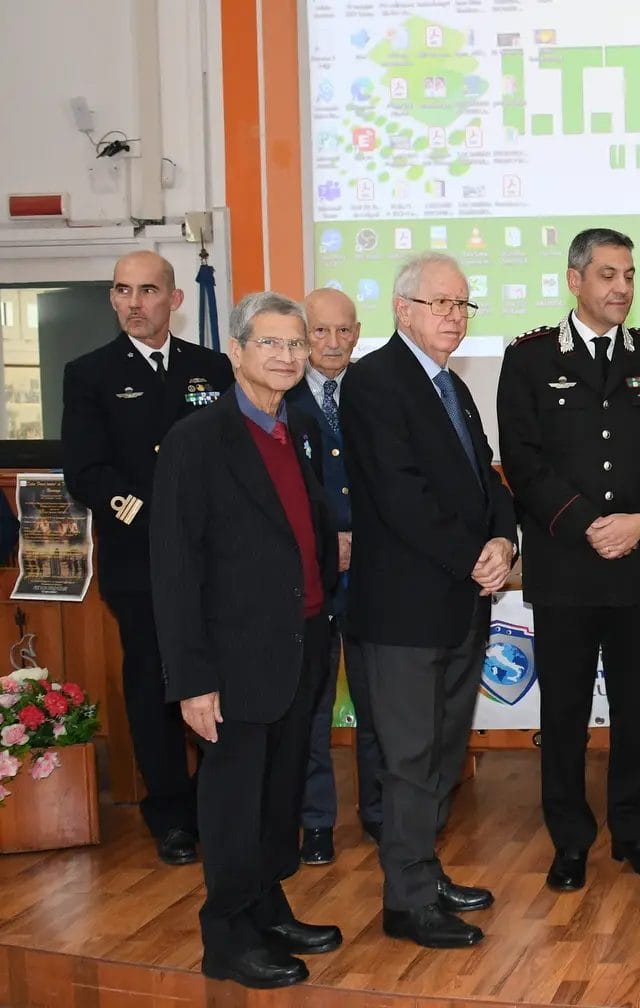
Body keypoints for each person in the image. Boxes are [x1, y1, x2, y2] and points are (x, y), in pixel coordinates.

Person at [150, 292, 341, 989]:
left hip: (301, 644)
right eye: (271, 343)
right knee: (233, 804)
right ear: (236, 352)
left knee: (278, 795)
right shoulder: (197, 440)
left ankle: (266, 906)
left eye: (296, 344)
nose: (287, 356)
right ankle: (227, 937)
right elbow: (174, 570)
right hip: (231, 662)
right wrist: (192, 680)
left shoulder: (302, 426)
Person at [497, 228, 640, 893]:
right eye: (608, 274)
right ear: (574, 279)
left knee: (639, 713)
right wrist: (587, 525)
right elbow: (523, 461)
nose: (622, 287)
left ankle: (634, 833)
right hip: (567, 569)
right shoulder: (528, 359)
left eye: (629, 275)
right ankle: (570, 841)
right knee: (564, 717)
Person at [342, 253, 517, 949]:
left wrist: (503, 540)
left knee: (443, 754)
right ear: (402, 309)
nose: (453, 315)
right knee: (410, 760)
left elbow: (488, 482)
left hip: (461, 603)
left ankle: (425, 870)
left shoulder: (453, 385)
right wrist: (473, 555)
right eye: (439, 302)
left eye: (462, 304)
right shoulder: (373, 382)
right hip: (404, 613)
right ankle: (406, 901)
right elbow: (401, 495)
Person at [61, 250, 234, 866]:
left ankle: (218, 803)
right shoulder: (90, 373)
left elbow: (230, 455)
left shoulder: (211, 367)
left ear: (174, 299)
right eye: (122, 291)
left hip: (213, 563)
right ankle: (171, 813)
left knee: (219, 681)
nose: (133, 304)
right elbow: (85, 470)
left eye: (147, 291)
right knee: (154, 686)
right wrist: (151, 515)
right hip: (140, 560)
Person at [287, 287, 383, 865]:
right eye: (319, 331)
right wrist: (327, 545)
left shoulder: (377, 391)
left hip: (374, 574)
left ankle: (379, 813)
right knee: (313, 707)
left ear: (357, 333)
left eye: (343, 330)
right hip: (311, 577)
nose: (332, 342)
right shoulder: (279, 394)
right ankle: (316, 821)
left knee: (377, 705)